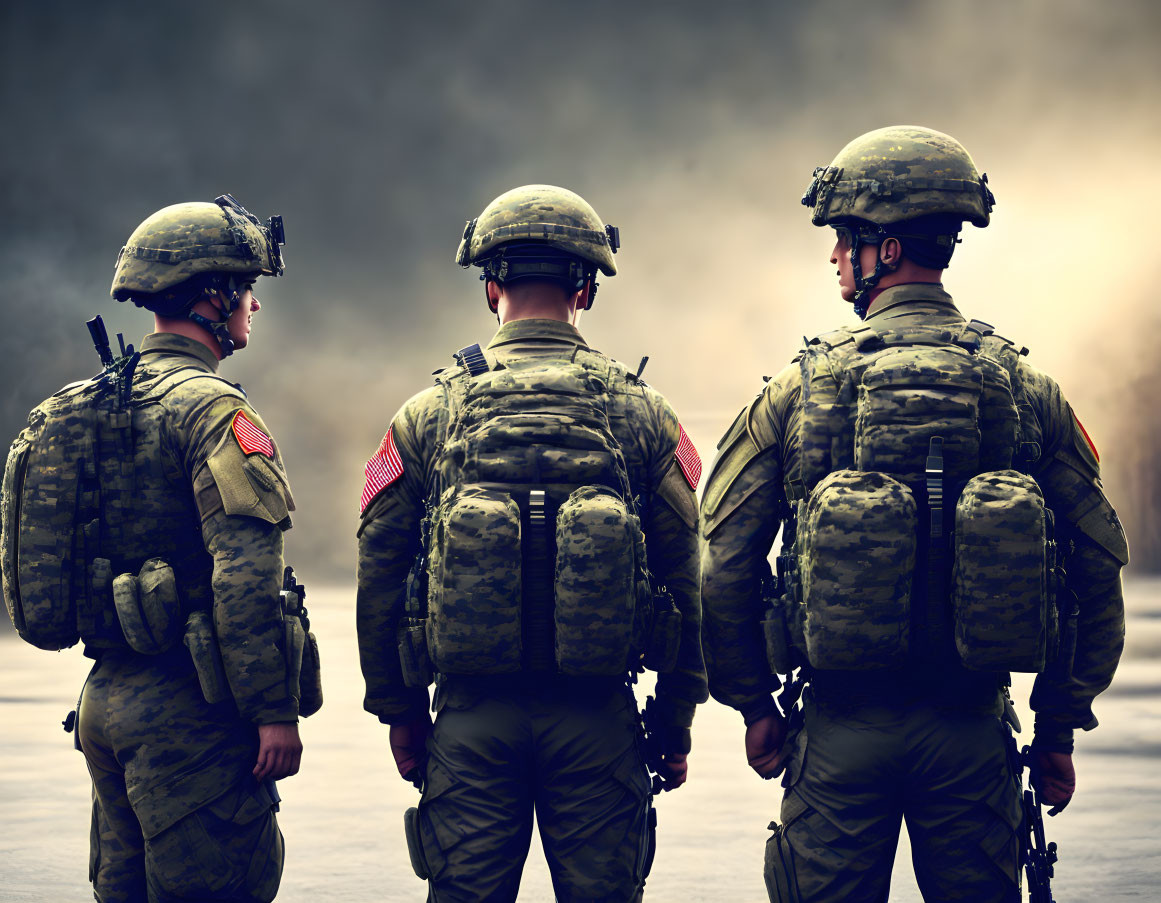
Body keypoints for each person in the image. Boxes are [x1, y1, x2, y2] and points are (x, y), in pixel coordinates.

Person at [700, 126, 1128, 903]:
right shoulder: (1025, 389)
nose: (834, 257)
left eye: (842, 240)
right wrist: (1059, 724)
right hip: (971, 731)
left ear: (884, 250)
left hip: (835, 735)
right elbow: (1096, 567)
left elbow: (722, 565)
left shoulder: (797, 392)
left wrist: (755, 706)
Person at [357, 184, 708, 902]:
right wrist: (674, 718)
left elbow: (380, 571)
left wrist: (399, 711)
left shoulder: (427, 413)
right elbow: (685, 575)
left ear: (491, 287)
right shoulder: (644, 413)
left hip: (470, 723)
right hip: (599, 721)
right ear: (586, 286)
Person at [2, 195, 314, 902]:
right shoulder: (215, 412)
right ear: (215, 296)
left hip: (103, 704)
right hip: (191, 714)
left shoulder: (79, 404)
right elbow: (243, 577)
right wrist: (273, 711)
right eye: (248, 290)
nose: (254, 308)